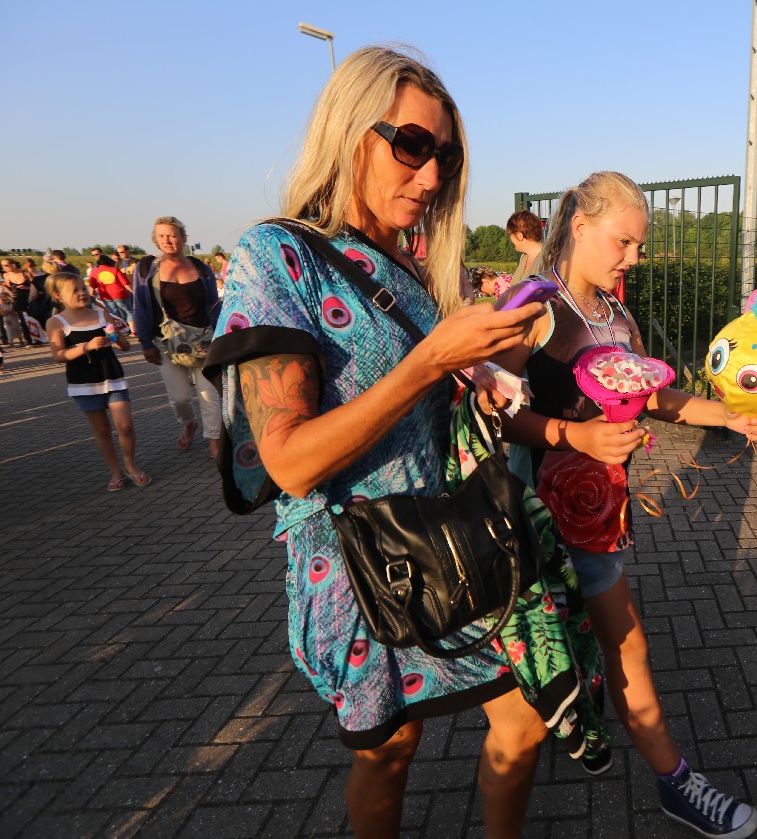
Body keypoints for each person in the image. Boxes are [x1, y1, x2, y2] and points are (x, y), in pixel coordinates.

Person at [212, 45, 550, 838]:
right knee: (390, 749)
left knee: (526, 715)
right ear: (348, 132)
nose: (430, 176)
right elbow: (290, 462)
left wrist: (487, 370)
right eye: (412, 145)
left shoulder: (412, 264)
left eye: (446, 156)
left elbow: (432, 399)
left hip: (450, 537)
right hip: (361, 560)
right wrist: (430, 360)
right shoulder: (278, 255)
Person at [494, 171, 757, 839]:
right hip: (537, 526)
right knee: (615, 651)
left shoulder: (617, 317)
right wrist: (575, 437)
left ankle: (594, 730)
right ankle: (670, 780)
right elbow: (493, 412)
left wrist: (725, 416)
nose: (634, 258)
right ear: (580, 225)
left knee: (587, 646)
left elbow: (653, 395)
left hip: (599, 520)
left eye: (639, 246)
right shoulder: (531, 306)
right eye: (625, 242)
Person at [45, 272, 150, 491]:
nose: (82, 293)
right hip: (84, 382)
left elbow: (125, 346)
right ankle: (115, 471)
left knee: (125, 426)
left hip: (112, 376)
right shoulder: (56, 322)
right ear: (57, 295)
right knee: (102, 430)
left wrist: (115, 337)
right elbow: (58, 355)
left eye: (83, 288)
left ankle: (130, 465)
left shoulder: (102, 314)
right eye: (75, 290)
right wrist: (86, 347)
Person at [132, 216, 223, 457]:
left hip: (204, 339)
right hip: (166, 342)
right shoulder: (146, 269)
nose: (167, 240)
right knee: (180, 398)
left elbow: (214, 305)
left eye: (172, 235)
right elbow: (140, 307)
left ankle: (214, 441)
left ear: (183, 237)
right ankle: (189, 423)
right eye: (161, 236)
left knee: (209, 395)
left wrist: (222, 335)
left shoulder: (200, 268)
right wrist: (145, 342)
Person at [0, 258, 38, 346]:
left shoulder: (25, 273)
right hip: (18, 300)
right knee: (23, 320)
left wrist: (26, 288)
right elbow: (9, 289)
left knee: (32, 318)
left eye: (6, 265)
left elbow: (35, 286)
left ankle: (37, 338)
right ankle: (28, 340)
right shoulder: (6, 275)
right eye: (2, 266)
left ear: (13, 265)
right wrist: (4, 287)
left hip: (29, 298)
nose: (3, 267)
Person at [88, 254, 134, 326]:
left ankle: (120, 328)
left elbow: (92, 285)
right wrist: (132, 291)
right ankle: (132, 329)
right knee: (129, 312)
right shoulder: (114, 269)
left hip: (106, 296)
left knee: (114, 313)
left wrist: (91, 295)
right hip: (120, 294)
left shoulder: (94, 271)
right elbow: (125, 283)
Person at [507, 209, 544, 281]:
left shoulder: (547, 258)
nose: (510, 238)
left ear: (519, 235)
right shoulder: (524, 257)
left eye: (510, 234)